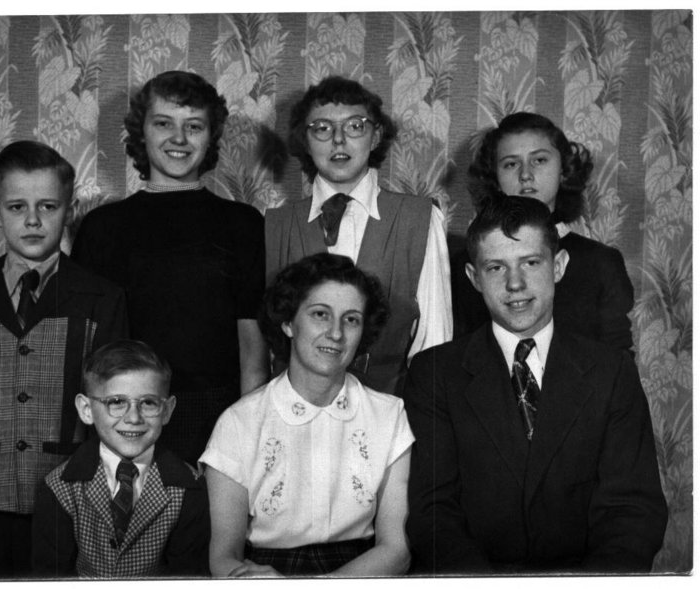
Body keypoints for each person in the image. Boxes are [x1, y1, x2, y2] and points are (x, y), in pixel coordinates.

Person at [404, 195, 667, 574]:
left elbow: (633, 512)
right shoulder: (435, 374)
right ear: (473, 278)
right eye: (496, 267)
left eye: (530, 262)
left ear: (558, 266)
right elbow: (433, 514)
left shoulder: (611, 372)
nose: (515, 283)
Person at [0, 140, 128, 579]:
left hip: (70, 491)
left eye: (48, 206)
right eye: (16, 207)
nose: (32, 220)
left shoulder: (101, 298)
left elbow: (112, 408)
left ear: (67, 210)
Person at [71, 70, 268, 465]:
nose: (179, 139)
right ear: (141, 131)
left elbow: (252, 348)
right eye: (164, 123)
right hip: (126, 416)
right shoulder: (102, 227)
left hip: (218, 415)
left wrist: (250, 432)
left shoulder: (242, 223)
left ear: (210, 137)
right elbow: (84, 347)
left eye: (193, 126)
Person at [201, 253, 413, 577]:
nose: (336, 334)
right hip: (267, 575)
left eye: (351, 319)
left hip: (363, 574)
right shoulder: (238, 423)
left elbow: (396, 551)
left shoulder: (389, 416)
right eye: (320, 314)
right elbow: (223, 557)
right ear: (288, 322)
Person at [265, 76, 452, 395]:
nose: (338, 140)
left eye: (355, 126)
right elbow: (270, 340)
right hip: (295, 406)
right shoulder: (275, 224)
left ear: (376, 135)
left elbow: (434, 340)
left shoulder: (419, 219)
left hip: (389, 405)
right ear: (305, 140)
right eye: (322, 128)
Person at [451, 111, 634, 352]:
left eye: (539, 160)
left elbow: (618, 363)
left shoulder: (601, 263)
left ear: (564, 169)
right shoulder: (467, 265)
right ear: (495, 178)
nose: (525, 175)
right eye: (511, 164)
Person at [31, 340, 210, 578]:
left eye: (148, 403)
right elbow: (49, 577)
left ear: (167, 410)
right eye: (116, 402)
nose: (133, 417)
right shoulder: (59, 487)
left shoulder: (189, 486)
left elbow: (188, 576)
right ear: (86, 409)